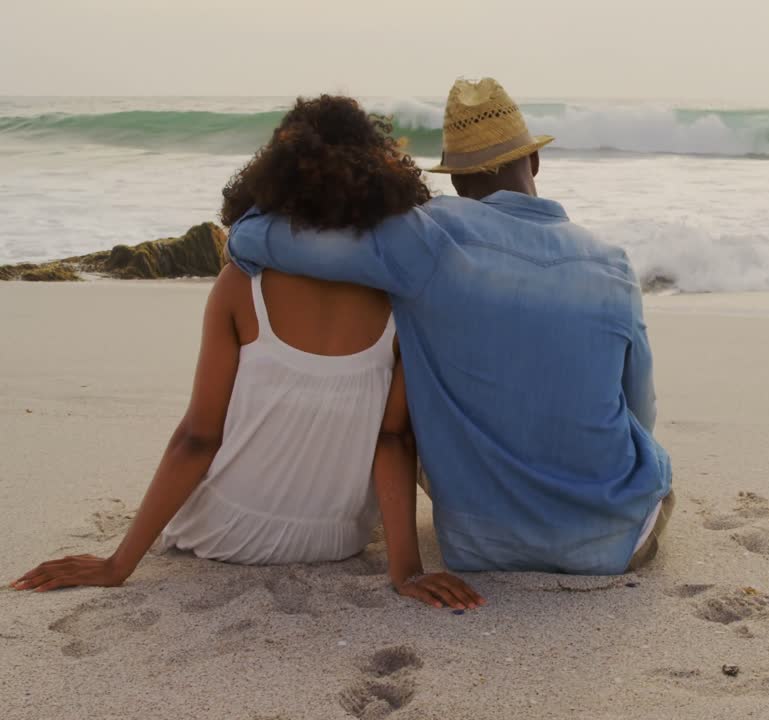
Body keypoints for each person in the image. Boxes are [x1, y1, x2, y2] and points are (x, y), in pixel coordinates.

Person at [11, 96, 484, 610]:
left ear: (275, 175)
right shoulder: (399, 298)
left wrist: (118, 563)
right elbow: (393, 439)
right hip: (338, 538)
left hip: (228, 533)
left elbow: (198, 437)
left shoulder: (243, 284)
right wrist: (407, 572)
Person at [226, 78, 673, 575]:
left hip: (482, 547)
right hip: (616, 543)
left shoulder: (428, 239)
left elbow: (264, 241)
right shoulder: (612, 264)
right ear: (536, 162)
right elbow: (641, 410)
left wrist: (242, 228)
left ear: (457, 182)